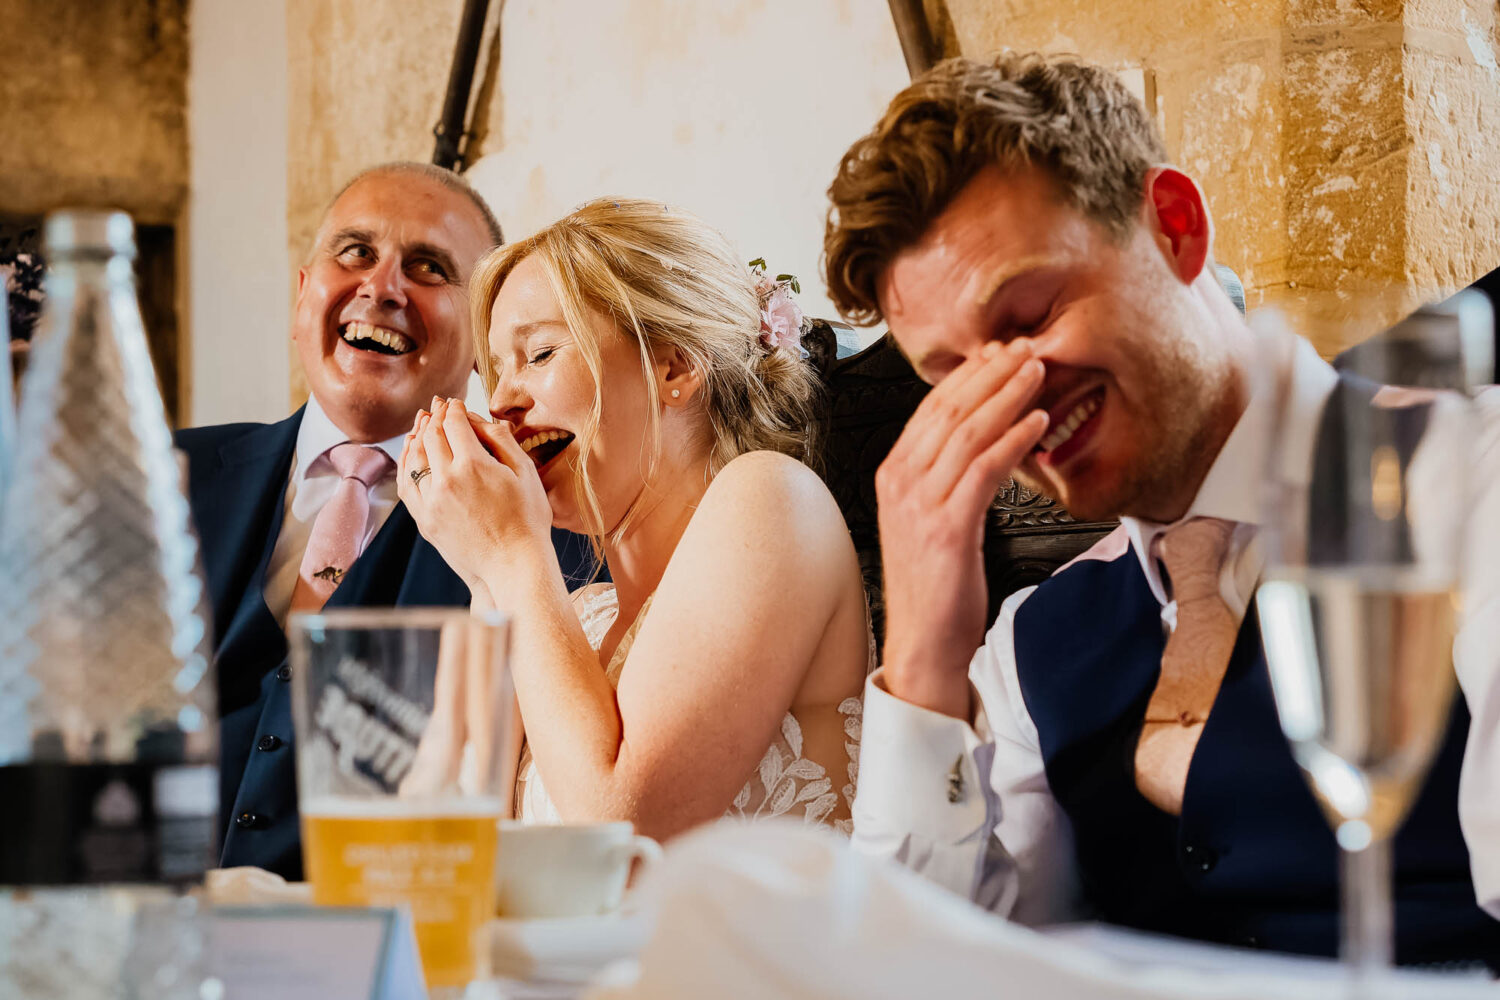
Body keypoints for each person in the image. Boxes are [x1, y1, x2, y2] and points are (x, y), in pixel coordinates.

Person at [826, 53, 1500, 962]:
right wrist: (920, 663)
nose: (1010, 399)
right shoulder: (1031, 641)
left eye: (1027, 318)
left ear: (1176, 229)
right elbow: (914, 970)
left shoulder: (1470, 476)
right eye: (952, 378)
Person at [396, 198, 871, 839]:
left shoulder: (774, 499)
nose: (502, 402)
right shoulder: (576, 615)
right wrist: (482, 574)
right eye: (492, 373)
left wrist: (512, 557)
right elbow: (432, 842)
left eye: (537, 355)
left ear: (673, 366)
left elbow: (620, 832)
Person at [176, 162, 594, 879]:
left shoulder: (554, 527)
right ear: (303, 295)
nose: (382, 287)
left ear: (482, 338)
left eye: (429, 267)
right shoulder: (164, 472)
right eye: (355, 252)